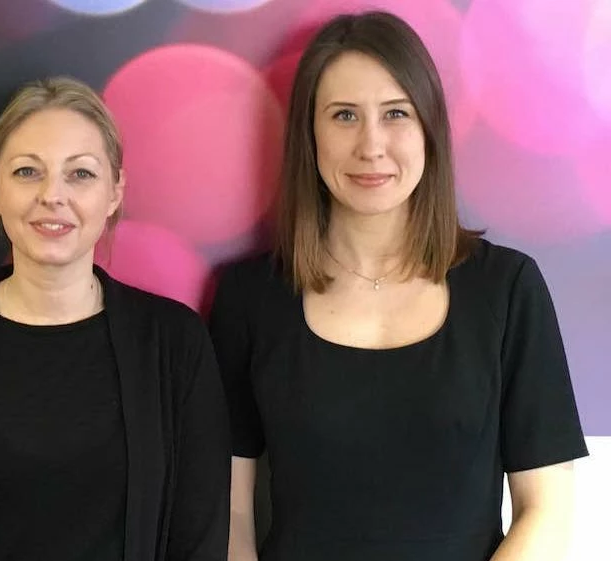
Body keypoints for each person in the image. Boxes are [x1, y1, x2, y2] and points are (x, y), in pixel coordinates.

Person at [210, 11, 588, 561]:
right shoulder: (250, 297)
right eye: (343, 115)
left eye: (396, 113)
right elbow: (231, 512)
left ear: (430, 127)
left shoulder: (508, 289)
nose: (372, 145)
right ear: (308, 133)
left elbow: (547, 511)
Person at [0, 76, 231, 561]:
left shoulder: (174, 345)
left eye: (80, 174)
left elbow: (201, 538)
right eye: (27, 172)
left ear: (114, 191)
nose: (52, 196)